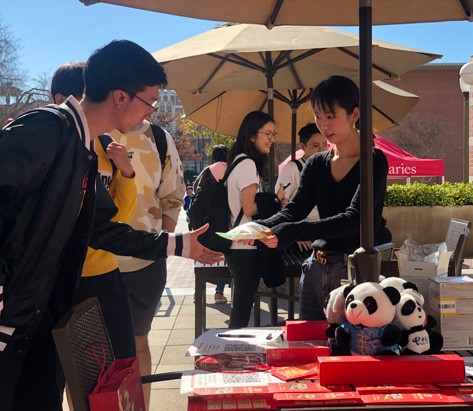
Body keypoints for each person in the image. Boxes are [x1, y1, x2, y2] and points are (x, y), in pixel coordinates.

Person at [0, 39, 222, 411]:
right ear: (120, 97)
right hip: (14, 317)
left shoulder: (85, 148)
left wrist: (179, 245)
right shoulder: (46, 129)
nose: (150, 112)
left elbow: (100, 229)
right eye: (150, 102)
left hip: (40, 311)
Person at [252, 75, 389, 321]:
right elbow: (293, 210)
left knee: (348, 343)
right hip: (315, 268)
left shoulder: (374, 161)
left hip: (354, 274)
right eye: (317, 116)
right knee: (308, 340)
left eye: (330, 116)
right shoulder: (316, 163)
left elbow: (355, 219)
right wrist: (258, 227)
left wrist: (295, 231)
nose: (323, 124)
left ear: (354, 114)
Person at [50, 61, 139, 361]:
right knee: (64, 368)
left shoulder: (107, 146)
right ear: (62, 101)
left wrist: (126, 172)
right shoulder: (48, 144)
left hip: (104, 271)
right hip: (60, 275)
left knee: (120, 359)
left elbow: (119, 218)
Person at [109, 119, 185, 409]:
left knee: (138, 342)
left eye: (154, 101)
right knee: (89, 352)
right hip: (93, 262)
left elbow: (173, 195)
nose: (151, 107)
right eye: (148, 99)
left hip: (145, 264)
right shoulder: (92, 129)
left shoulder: (158, 137)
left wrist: (161, 243)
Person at [224, 111, 279, 328]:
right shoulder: (247, 164)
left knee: (241, 304)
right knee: (242, 306)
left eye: (274, 133)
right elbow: (249, 209)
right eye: (268, 133)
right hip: (244, 245)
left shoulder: (237, 161)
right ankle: (232, 345)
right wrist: (276, 202)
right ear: (252, 135)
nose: (272, 139)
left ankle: (233, 343)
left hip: (236, 244)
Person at [274, 123, 328, 252]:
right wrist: (296, 234)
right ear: (303, 147)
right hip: (303, 239)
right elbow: (280, 204)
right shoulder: (292, 168)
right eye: (315, 146)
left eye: (325, 145)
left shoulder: (328, 168)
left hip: (323, 233)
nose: (321, 150)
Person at [193, 144, 230, 303]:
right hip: (224, 220)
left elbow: (195, 194)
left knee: (200, 253)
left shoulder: (206, 172)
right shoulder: (230, 170)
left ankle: (198, 292)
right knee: (224, 255)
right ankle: (219, 293)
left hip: (204, 222)